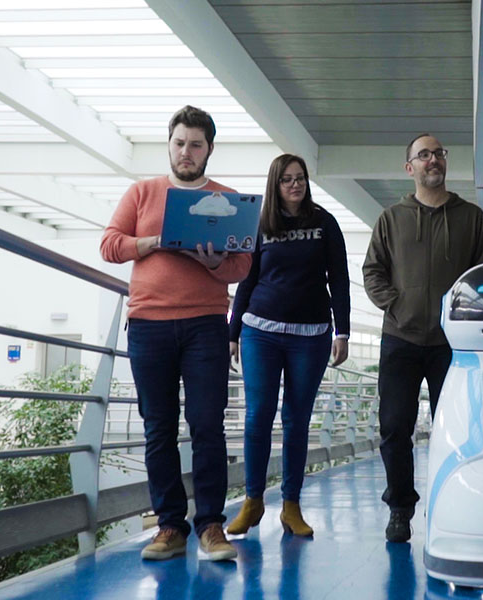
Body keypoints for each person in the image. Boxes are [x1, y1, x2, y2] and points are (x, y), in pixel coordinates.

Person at [101, 105, 251, 562]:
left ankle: (210, 525)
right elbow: (109, 244)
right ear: (170, 145)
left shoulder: (230, 199)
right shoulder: (143, 193)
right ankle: (170, 525)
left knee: (207, 426)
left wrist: (213, 264)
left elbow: (243, 264)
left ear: (209, 150)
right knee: (158, 428)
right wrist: (153, 242)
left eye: (196, 145)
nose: (187, 152)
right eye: (180, 143)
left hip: (206, 325)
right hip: (148, 325)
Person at [363, 134, 483, 542]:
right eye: (423, 155)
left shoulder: (471, 217)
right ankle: (401, 508)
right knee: (395, 426)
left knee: (457, 428)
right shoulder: (391, 218)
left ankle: (455, 503)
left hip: (452, 345)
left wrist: (463, 317)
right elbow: (373, 271)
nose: (432, 160)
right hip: (400, 339)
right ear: (410, 168)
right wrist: (396, 305)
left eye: (438, 153)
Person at [226, 154, 351, 537]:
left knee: (297, 419)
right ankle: (252, 502)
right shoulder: (260, 224)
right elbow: (247, 279)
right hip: (260, 331)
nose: (295, 185)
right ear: (275, 184)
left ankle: (291, 505)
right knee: (257, 416)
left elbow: (340, 279)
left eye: (300, 178)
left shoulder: (324, 223)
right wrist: (232, 332)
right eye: (287, 180)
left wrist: (342, 331)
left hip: (310, 336)